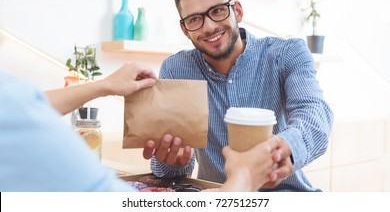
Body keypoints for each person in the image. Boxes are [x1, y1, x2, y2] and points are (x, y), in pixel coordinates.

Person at [143, 0, 334, 192]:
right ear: (185, 30)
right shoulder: (176, 69)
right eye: (195, 19)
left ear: (238, 11)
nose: (209, 26)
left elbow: (314, 111)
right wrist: (171, 161)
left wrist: (286, 147)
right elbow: (172, 174)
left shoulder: (287, 53)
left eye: (217, 11)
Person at [0, 48, 280, 191]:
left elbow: (29, 102)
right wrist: (243, 177)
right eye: (194, 19)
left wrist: (105, 85)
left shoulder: (281, 54)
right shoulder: (16, 111)